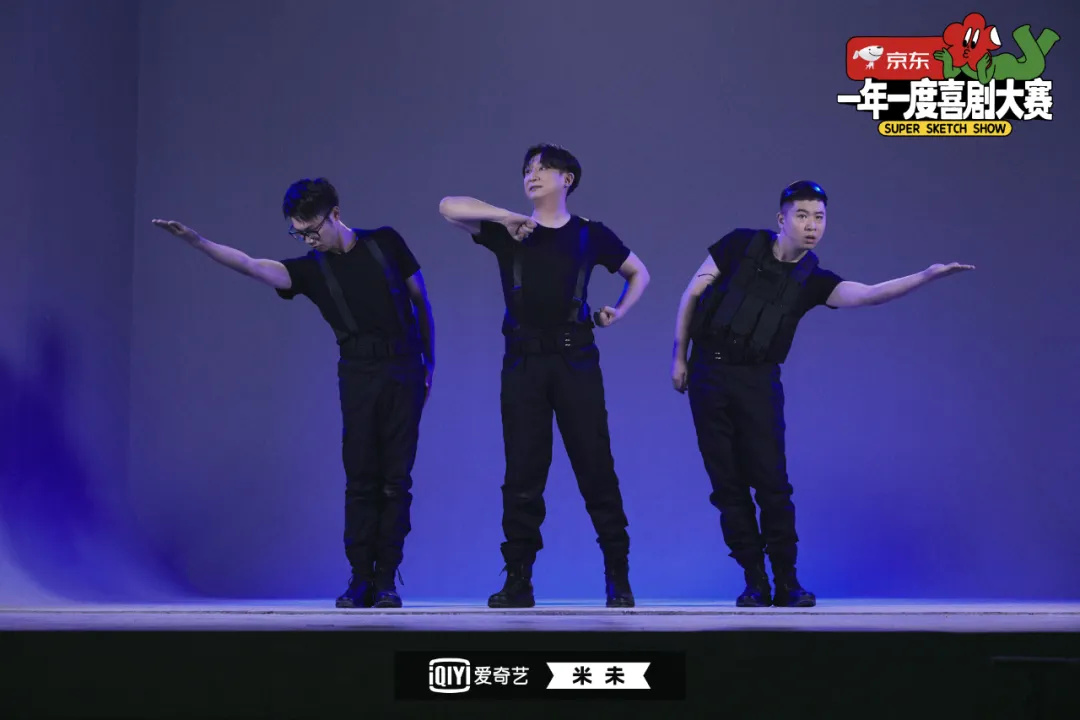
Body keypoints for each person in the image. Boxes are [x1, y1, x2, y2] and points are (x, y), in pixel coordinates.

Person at [670, 180, 974, 608]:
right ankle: (754, 581)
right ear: (781, 218)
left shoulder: (812, 280)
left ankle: (787, 581)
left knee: (772, 484)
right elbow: (693, 293)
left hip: (758, 380)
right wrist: (679, 357)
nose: (812, 225)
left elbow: (868, 295)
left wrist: (925, 276)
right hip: (708, 374)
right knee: (727, 483)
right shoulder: (739, 244)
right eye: (802, 215)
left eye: (819, 217)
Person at [151, 178, 434, 610]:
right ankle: (360, 578)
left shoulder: (385, 242)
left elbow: (421, 301)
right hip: (358, 373)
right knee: (361, 479)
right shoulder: (310, 270)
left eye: (312, 230)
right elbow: (250, 265)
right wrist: (198, 242)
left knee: (396, 480)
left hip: (405, 368)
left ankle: (386, 581)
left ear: (335, 214)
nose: (308, 240)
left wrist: (430, 364)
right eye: (299, 233)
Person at [438, 144, 650, 608]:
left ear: (567, 179)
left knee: (595, 465)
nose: (532, 175)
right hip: (523, 362)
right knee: (523, 470)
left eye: (543, 168)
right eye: (527, 170)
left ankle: (617, 575)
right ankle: (519, 579)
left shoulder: (590, 234)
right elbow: (448, 207)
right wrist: (506, 217)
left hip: (576, 360)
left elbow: (639, 273)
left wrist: (617, 311)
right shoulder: (509, 230)